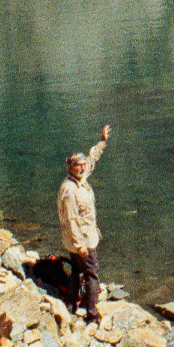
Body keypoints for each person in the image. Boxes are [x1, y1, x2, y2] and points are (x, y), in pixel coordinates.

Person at [55, 123, 111, 322]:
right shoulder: (69, 191)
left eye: (82, 165)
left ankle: (70, 304)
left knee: (77, 270)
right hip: (83, 240)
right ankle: (92, 312)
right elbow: (71, 221)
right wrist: (81, 247)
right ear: (70, 168)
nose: (82, 167)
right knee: (92, 274)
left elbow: (92, 159)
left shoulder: (79, 178)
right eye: (77, 166)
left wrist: (102, 142)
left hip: (80, 239)